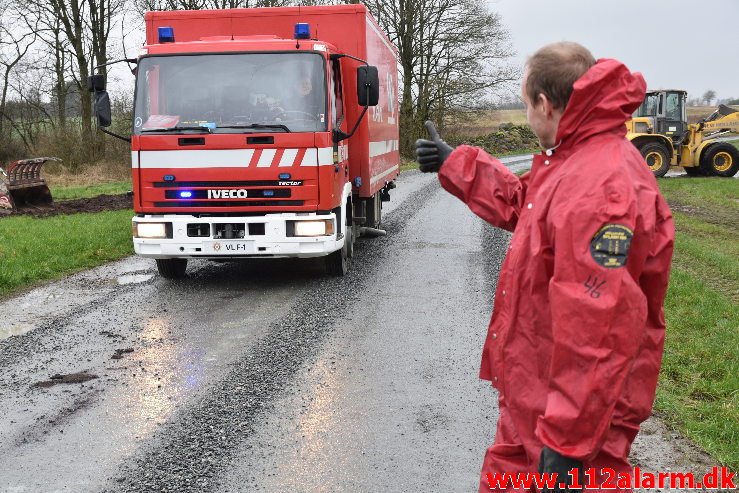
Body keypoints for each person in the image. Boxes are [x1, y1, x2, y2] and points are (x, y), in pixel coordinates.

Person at [416, 42, 674, 492]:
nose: (528, 115)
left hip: (573, 421)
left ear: (544, 103)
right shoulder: (575, 160)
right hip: (536, 398)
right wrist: (456, 161)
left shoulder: (600, 186)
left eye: (524, 103)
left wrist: (569, 442)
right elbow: (524, 204)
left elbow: (601, 324)